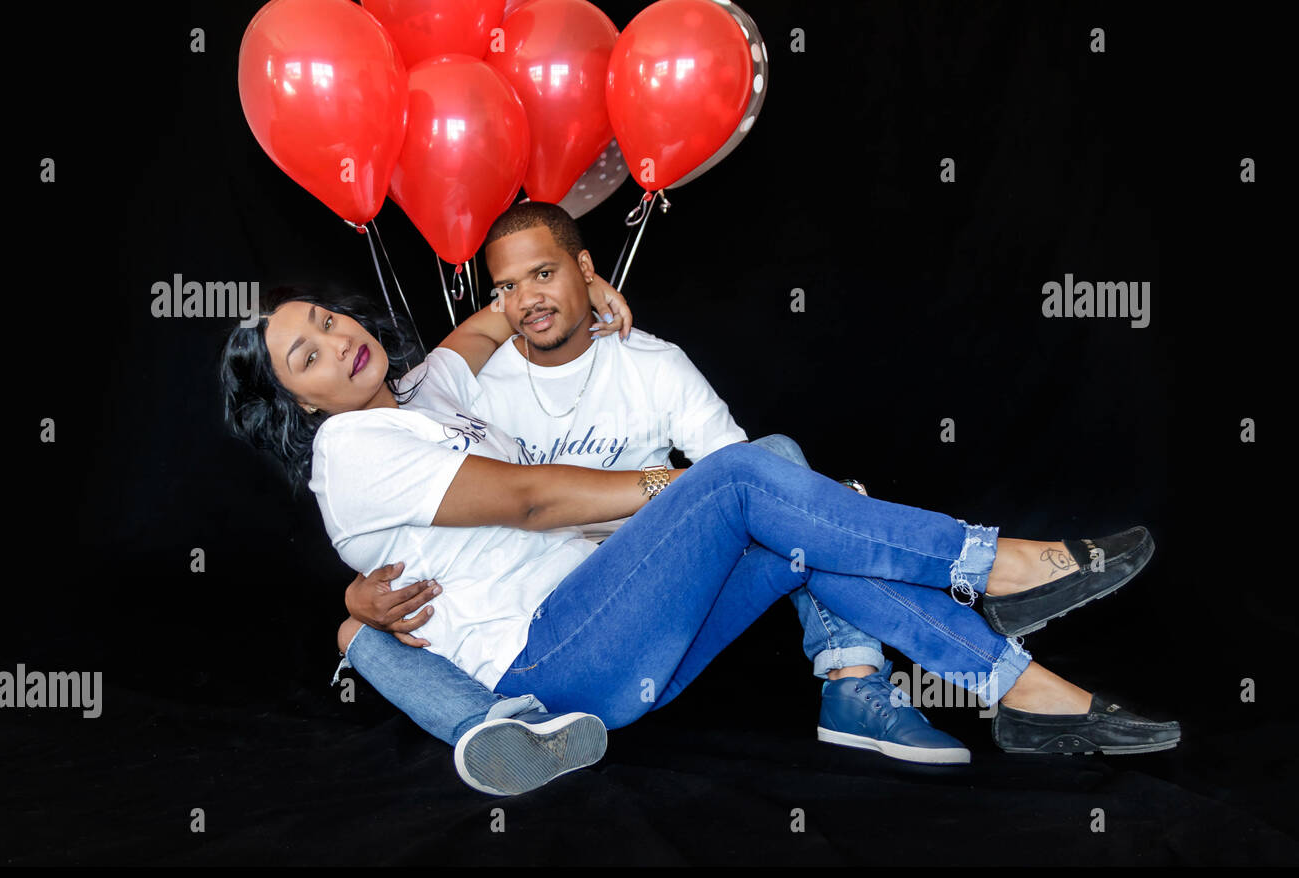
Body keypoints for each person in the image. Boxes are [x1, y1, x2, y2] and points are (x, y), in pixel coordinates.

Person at [219, 267, 1181, 795]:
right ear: (295, 403)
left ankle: (1024, 692)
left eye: (323, 316)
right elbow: (525, 501)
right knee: (746, 476)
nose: (336, 338)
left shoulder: (421, 390)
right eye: (305, 351)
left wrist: (576, 287)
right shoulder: (346, 449)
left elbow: (492, 322)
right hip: (547, 661)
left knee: (785, 492)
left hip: (617, 650)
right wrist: (672, 486)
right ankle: (996, 563)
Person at [342, 201, 975, 781]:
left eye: (545, 274)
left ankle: (853, 682)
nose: (528, 300)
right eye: (507, 287)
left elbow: (752, 484)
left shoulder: (650, 364)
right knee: (350, 631)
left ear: (584, 267)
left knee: (777, 461)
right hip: (550, 627)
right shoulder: (457, 393)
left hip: (656, 604)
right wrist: (358, 594)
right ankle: (978, 572)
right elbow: (440, 506)